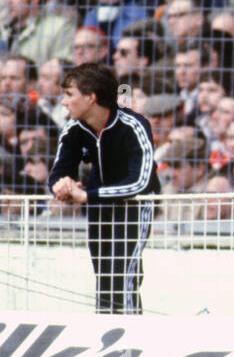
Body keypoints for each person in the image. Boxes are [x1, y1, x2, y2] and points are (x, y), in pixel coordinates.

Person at [48, 63, 160, 315]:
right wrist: (61, 185)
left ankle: (129, 346)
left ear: (91, 97)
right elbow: (59, 169)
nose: (64, 102)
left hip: (134, 207)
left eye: (69, 94)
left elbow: (141, 182)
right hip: (99, 208)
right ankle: (107, 336)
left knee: (121, 277)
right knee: (104, 277)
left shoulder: (134, 125)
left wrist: (88, 195)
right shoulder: (74, 129)